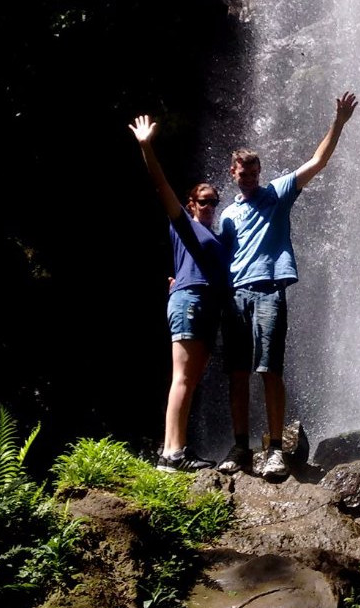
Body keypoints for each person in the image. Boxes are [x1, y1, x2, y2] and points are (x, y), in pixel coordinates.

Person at [216, 91, 358, 480]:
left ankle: (275, 449)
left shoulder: (277, 194)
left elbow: (317, 161)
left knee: (269, 369)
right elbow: (216, 257)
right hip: (234, 295)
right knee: (237, 374)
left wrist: (339, 123)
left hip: (268, 289)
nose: (250, 179)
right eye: (243, 174)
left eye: (254, 173)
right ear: (233, 174)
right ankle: (241, 448)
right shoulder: (227, 214)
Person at [129, 114, 229, 473]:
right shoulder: (182, 223)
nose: (210, 206)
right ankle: (170, 454)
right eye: (203, 200)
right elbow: (160, 184)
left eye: (214, 201)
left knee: (191, 379)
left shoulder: (217, 238)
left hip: (207, 306)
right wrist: (146, 146)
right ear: (190, 203)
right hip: (188, 300)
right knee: (182, 377)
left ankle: (177, 448)